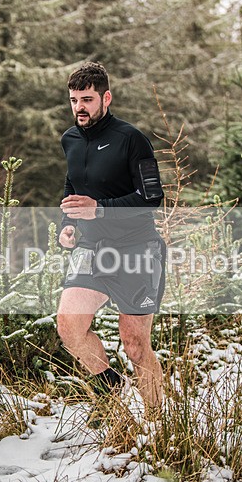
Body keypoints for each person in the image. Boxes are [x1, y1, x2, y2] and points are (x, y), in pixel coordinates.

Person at [55, 61, 166, 417]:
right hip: (91, 248)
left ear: (106, 97)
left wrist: (100, 209)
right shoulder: (69, 139)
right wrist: (68, 224)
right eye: (74, 100)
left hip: (137, 250)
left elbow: (152, 198)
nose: (80, 108)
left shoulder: (132, 139)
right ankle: (112, 386)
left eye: (87, 99)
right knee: (69, 326)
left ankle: (159, 424)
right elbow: (74, 188)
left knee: (135, 345)